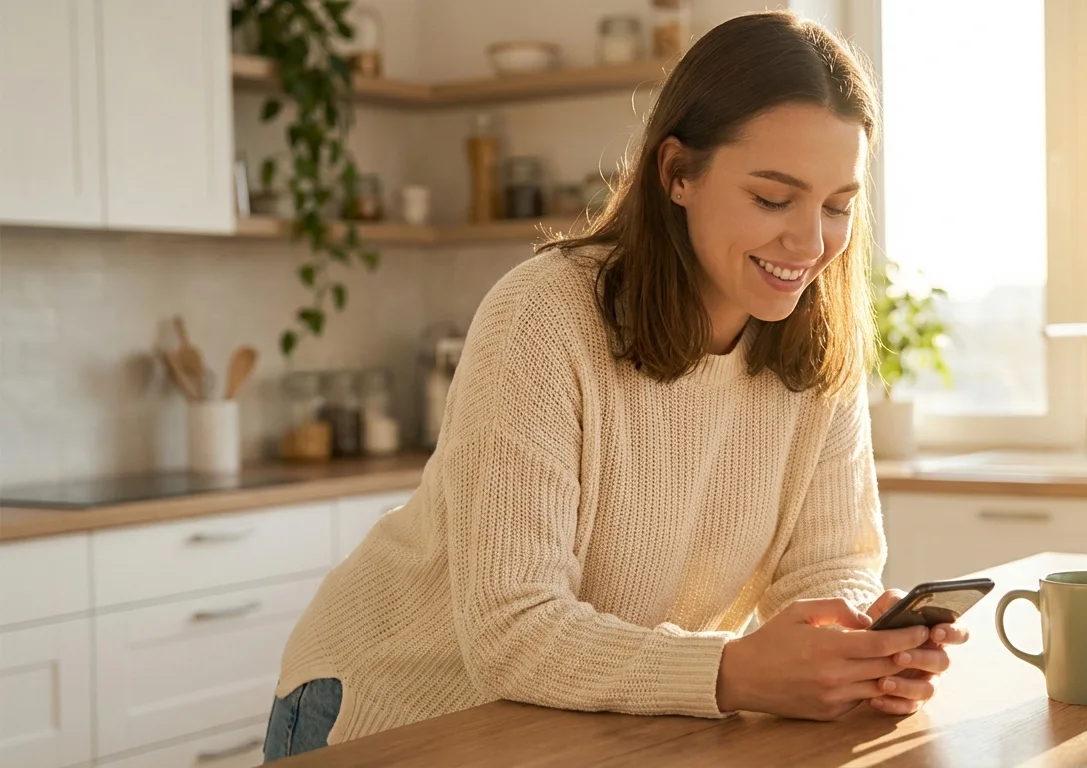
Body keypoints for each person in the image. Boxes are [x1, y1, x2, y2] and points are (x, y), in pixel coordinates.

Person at [261, 10, 967, 762]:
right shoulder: (544, 315)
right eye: (771, 198)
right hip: (392, 711)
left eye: (837, 206)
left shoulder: (814, 344)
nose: (809, 242)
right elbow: (513, 627)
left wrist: (858, 651)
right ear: (678, 174)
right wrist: (730, 672)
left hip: (575, 727)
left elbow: (830, 568)